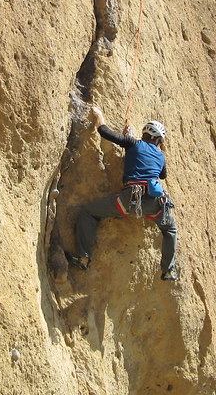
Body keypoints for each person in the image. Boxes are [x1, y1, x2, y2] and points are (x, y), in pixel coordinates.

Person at [70, 106, 178, 280]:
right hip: (154, 204)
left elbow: (104, 131)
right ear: (158, 140)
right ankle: (168, 270)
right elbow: (162, 174)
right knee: (170, 228)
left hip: (129, 200)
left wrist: (100, 116)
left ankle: (84, 258)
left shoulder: (133, 143)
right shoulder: (160, 156)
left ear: (144, 135)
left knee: (88, 212)